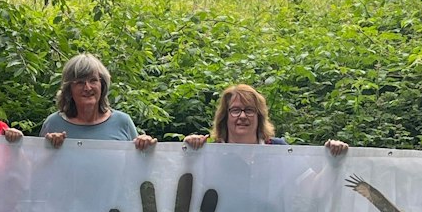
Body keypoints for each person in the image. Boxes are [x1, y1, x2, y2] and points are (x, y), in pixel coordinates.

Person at [181, 83, 350, 154]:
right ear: (225, 117)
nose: (242, 116)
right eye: (235, 110)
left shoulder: (278, 149)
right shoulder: (212, 152)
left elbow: (312, 188)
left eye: (249, 110)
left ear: (259, 115)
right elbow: (186, 188)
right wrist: (189, 152)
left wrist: (333, 157)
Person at [41, 53, 156, 150]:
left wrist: (145, 147)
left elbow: (137, 168)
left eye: (93, 80)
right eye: (80, 82)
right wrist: (50, 148)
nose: (87, 87)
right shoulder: (53, 123)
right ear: (69, 89)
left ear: (102, 85)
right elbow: (36, 169)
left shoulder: (122, 122)